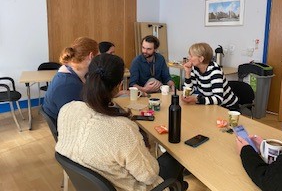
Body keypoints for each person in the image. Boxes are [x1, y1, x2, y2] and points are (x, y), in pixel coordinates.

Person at [55, 53, 187, 191]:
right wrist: (143, 148)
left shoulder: (67, 109)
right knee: (177, 155)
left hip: (91, 183)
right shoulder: (122, 129)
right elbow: (149, 176)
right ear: (119, 86)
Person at [43, 37, 99, 126]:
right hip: (70, 130)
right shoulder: (67, 85)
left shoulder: (73, 73)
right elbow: (77, 119)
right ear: (91, 56)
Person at [181, 42, 238, 108]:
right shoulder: (195, 68)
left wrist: (197, 99)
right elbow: (190, 91)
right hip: (210, 105)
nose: (189, 58)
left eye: (191, 56)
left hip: (226, 107)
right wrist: (187, 73)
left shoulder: (215, 71)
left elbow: (218, 99)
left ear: (201, 59)